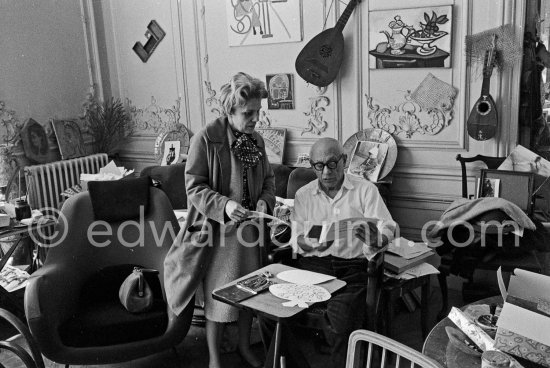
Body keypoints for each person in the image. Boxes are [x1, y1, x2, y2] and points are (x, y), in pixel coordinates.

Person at [164, 72, 275, 368]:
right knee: (220, 299)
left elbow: (269, 180)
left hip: (250, 233)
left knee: (250, 293)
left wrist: (265, 199)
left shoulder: (257, 140)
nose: (255, 120)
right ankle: (214, 358)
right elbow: (194, 186)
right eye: (248, 113)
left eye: (257, 113)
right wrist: (225, 206)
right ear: (230, 111)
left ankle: (242, 347)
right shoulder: (206, 138)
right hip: (219, 234)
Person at [262, 137, 396, 368]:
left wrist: (378, 239)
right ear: (312, 166)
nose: (326, 172)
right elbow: (297, 237)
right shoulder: (304, 195)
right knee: (267, 312)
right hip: (312, 269)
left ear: (344, 161)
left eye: (333, 164)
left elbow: (388, 226)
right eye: (319, 166)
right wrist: (306, 244)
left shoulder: (365, 190)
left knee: (341, 320)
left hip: (352, 270)